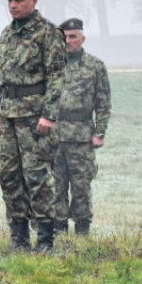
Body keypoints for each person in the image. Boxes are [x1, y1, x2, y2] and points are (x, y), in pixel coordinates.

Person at [0, 0, 66, 253]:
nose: (13, 6)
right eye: (10, 1)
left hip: (35, 118)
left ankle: (45, 240)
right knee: (9, 177)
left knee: (37, 178)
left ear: (34, 1)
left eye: (19, 1)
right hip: (8, 116)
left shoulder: (48, 33)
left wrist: (49, 115)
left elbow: (57, 77)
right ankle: (18, 239)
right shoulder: (7, 35)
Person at [53, 18, 110, 237]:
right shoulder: (51, 65)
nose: (68, 41)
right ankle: (58, 232)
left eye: (72, 36)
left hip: (81, 136)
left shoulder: (95, 66)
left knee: (81, 187)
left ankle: (82, 232)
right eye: (64, 37)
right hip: (54, 136)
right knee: (55, 186)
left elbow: (103, 102)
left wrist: (100, 131)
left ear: (82, 38)